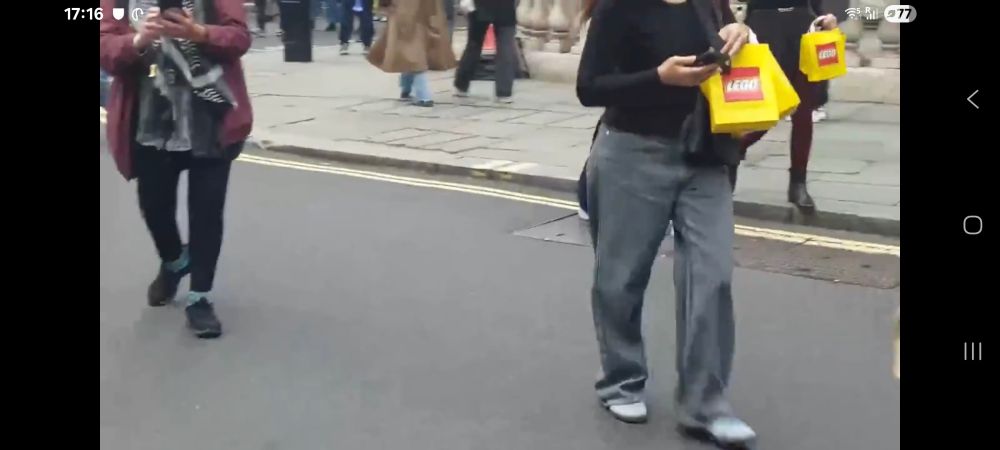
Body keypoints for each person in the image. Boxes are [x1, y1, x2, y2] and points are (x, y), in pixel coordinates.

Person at [577, 0, 758, 445]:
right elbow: (590, 86)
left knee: (712, 276)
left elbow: (727, 55)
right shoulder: (619, 7)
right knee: (620, 278)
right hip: (632, 153)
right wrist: (658, 77)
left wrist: (742, 35)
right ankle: (621, 379)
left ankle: (704, 407)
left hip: (705, 152)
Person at [100, 0, 253, 339]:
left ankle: (200, 298)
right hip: (150, 124)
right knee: (154, 207)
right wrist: (138, 40)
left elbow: (240, 38)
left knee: (207, 212)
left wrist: (199, 32)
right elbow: (105, 47)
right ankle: (174, 260)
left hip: (210, 120)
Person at [735, 0, 838, 210]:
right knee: (765, 109)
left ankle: (798, 183)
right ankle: (731, 151)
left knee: (803, 111)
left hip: (803, 27)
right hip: (764, 26)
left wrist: (826, 15)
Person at [367, 0, 457, 107]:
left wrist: (384, 5)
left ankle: (421, 95)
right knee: (412, 52)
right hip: (427, 15)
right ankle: (410, 91)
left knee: (411, 53)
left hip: (403, 13)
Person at [453, 0, 518, 103]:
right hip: (506, 6)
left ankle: (461, 85)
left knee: (474, 44)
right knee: (505, 45)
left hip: (481, 5)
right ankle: (504, 92)